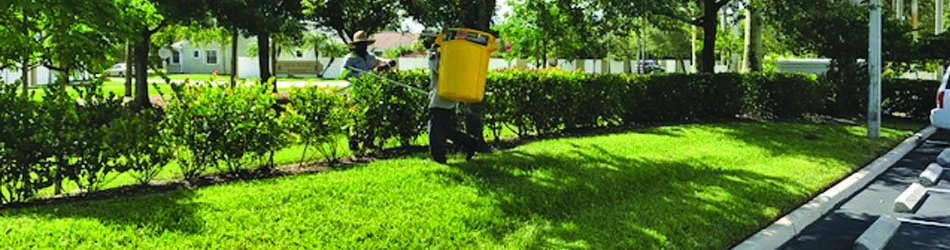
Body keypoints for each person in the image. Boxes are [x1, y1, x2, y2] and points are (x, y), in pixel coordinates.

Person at [425, 36, 480, 164]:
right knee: (446, 129)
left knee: (435, 130)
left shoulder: (437, 58)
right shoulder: (453, 59)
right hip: (449, 98)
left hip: (440, 99)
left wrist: (432, 57)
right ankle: (471, 143)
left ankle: (439, 158)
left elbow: (439, 71)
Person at [341, 30, 396, 153]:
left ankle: (369, 141)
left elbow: (379, 61)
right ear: (355, 45)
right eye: (361, 44)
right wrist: (364, 76)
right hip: (354, 91)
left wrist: (387, 63)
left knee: (370, 115)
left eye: (365, 44)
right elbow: (344, 74)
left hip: (369, 91)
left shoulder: (370, 57)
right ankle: (354, 142)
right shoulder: (349, 59)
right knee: (355, 118)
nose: (363, 46)